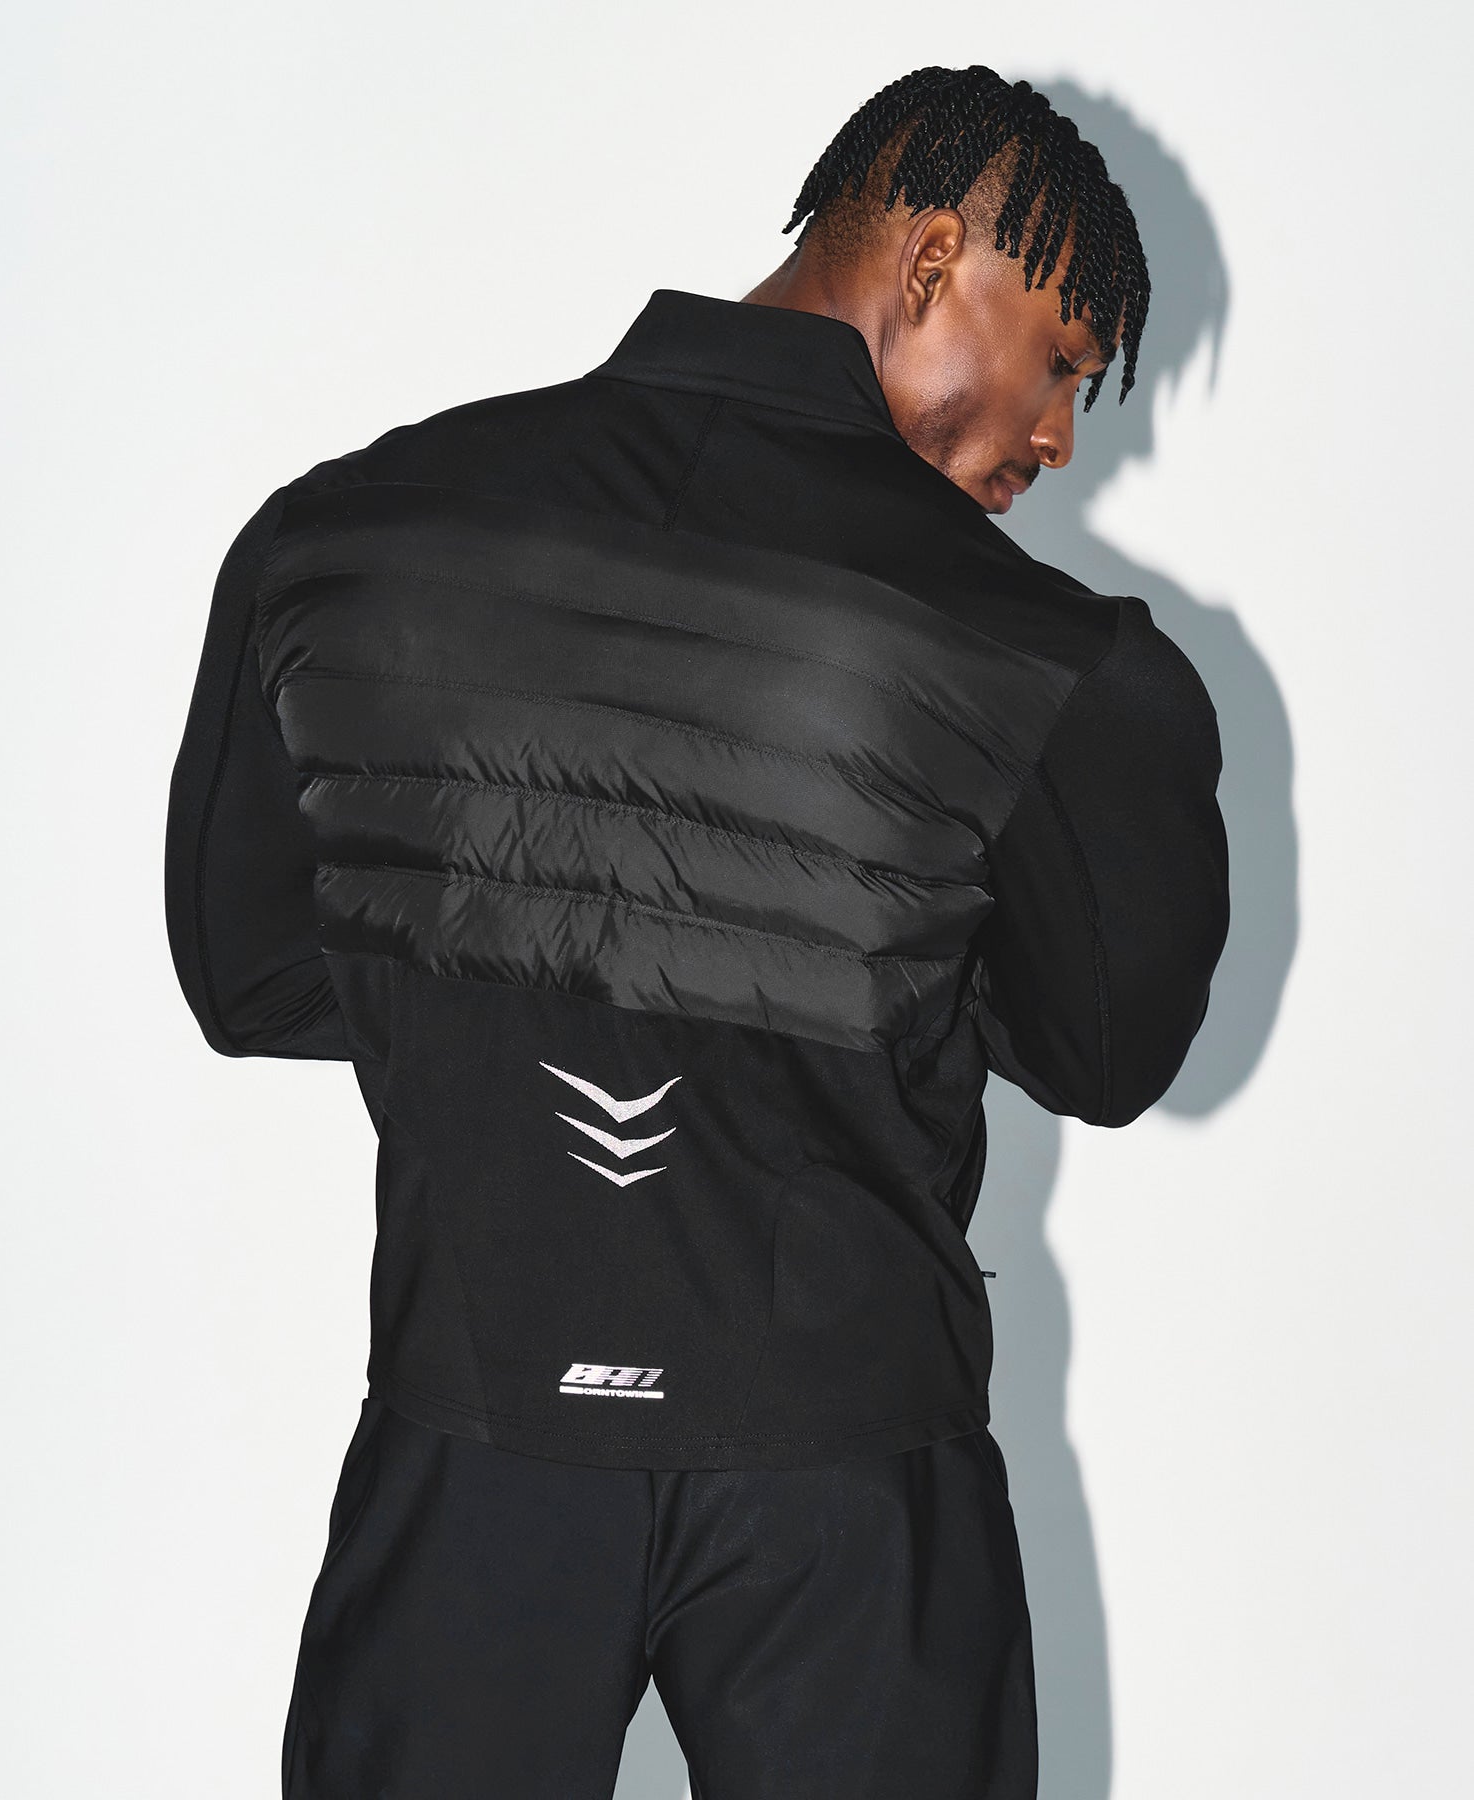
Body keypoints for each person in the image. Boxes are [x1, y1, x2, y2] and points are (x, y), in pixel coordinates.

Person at [164, 61, 1229, 1800]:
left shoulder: (342, 537)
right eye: (1063, 365)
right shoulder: (1046, 658)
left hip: (471, 1436)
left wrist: (525, 961)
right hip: (851, 1475)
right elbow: (1106, 1055)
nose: (1057, 439)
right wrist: (844, 956)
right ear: (934, 259)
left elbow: (252, 974)